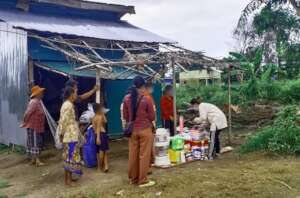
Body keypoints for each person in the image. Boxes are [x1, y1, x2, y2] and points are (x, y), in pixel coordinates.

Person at [123, 76, 156, 187]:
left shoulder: (126, 98)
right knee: (144, 155)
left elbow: (126, 116)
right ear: (143, 86)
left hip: (132, 131)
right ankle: (142, 180)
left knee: (133, 155)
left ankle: (133, 179)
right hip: (145, 130)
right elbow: (152, 117)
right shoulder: (146, 99)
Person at [58, 87, 82, 186]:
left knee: (70, 157)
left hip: (71, 135)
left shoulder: (68, 104)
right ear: (71, 94)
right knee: (70, 158)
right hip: (69, 136)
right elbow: (63, 121)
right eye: (76, 93)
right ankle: (67, 181)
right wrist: (61, 134)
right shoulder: (68, 105)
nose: (76, 95)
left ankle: (69, 179)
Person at [21, 85, 46, 167]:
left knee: (34, 142)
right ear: (37, 94)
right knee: (35, 143)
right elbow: (27, 113)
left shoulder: (38, 102)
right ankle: (37, 160)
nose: (42, 94)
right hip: (33, 126)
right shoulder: (34, 102)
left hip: (36, 126)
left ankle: (33, 160)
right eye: (41, 92)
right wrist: (24, 122)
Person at [92, 103, 109, 172]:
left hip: (96, 135)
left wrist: (102, 114)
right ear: (99, 109)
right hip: (101, 135)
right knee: (102, 151)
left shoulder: (93, 118)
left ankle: (105, 166)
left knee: (99, 152)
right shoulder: (99, 117)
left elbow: (105, 121)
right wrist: (98, 138)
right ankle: (101, 166)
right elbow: (99, 127)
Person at [145, 82, 156, 169]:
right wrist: (153, 123)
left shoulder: (138, 97)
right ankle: (151, 160)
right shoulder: (148, 98)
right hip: (147, 124)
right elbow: (152, 114)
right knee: (150, 143)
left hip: (138, 126)